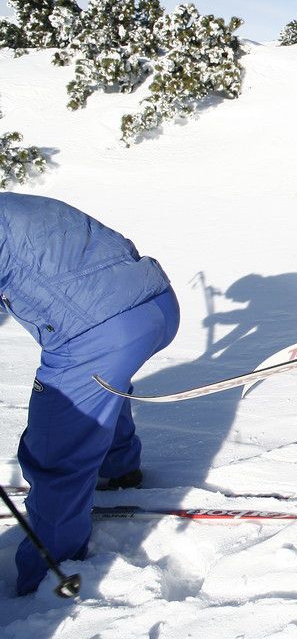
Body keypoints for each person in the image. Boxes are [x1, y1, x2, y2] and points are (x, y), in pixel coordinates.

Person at [0, 193, 178, 595]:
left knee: (55, 451)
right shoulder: (14, 206)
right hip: (157, 304)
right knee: (99, 389)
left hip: (104, 331)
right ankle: (119, 469)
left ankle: (48, 577)